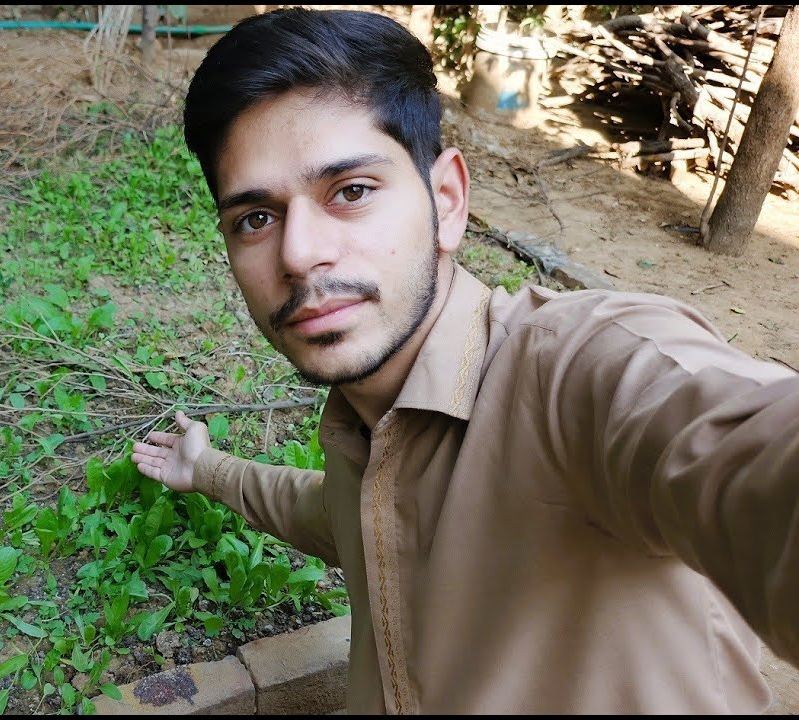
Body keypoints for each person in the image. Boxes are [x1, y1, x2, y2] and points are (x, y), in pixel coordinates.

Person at [130, 7, 799, 714]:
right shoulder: (366, 438)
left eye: (351, 192)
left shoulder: (579, 371)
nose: (298, 254)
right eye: (255, 218)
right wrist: (203, 470)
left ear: (447, 201)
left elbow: (739, 452)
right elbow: (330, 514)